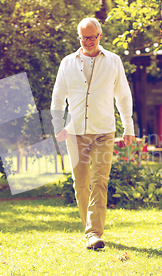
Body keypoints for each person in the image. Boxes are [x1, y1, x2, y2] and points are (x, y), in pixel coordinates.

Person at [51, 17, 135, 250]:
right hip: (75, 132)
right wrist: (58, 124)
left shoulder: (113, 61)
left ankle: (94, 232)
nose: (88, 41)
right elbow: (58, 97)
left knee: (100, 181)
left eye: (92, 36)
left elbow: (123, 96)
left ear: (100, 35)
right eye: (83, 37)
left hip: (104, 131)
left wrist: (129, 127)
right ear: (79, 37)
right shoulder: (67, 63)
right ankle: (89, 229)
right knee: (81, 184)